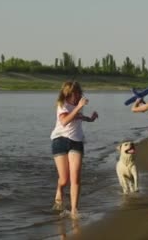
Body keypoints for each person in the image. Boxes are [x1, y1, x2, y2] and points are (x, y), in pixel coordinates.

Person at [50, 81, 99, 219]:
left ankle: (74, 210)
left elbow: (79, 117)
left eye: (79, 93)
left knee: (75, 177)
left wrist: (91, 118)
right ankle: (60, 188)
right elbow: (65, 121)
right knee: (64, 179)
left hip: (76, 142)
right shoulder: (62, 104)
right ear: (68, 93)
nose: (78, 96)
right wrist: (78, 107)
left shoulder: (77, 105)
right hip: (60, 141)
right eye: (75, 93)